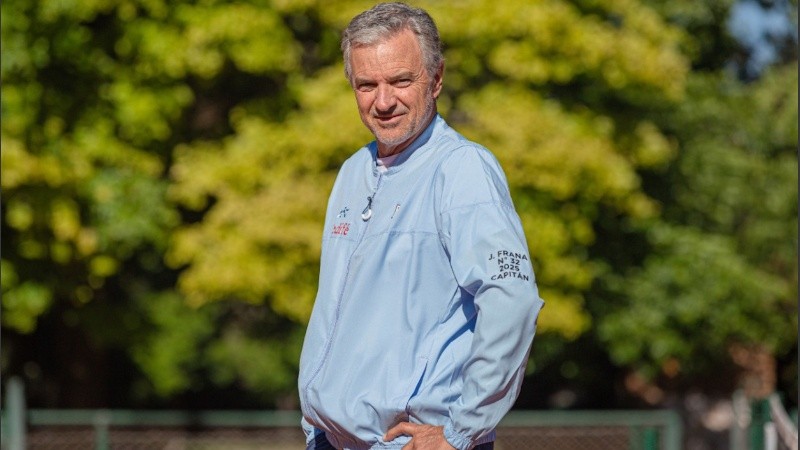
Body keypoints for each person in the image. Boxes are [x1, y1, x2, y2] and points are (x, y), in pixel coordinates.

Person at [298, 3, 544, 449]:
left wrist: (460, 432)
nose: (384, 100)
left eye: (401, 81)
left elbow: (513, 299)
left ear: (436, 78)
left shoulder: (461, 169)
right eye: (366, 85)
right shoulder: (354, 171)